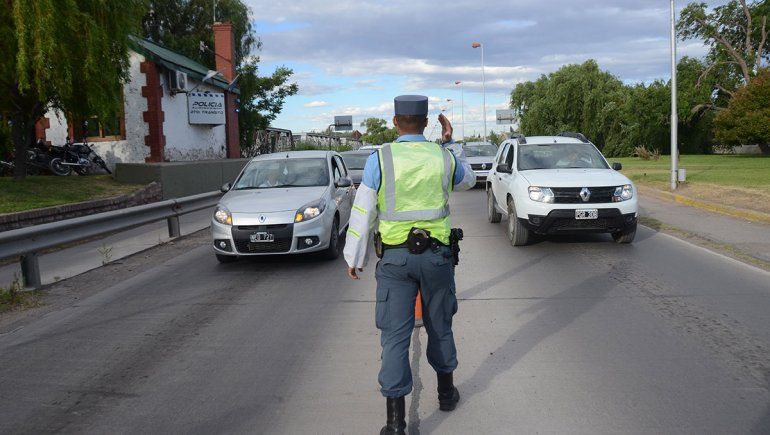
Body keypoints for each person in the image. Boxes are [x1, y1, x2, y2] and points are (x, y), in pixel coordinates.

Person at [343, 95, 476, 434]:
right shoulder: (442, 156)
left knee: (395, 336)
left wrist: (354, 257)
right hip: (437, 258)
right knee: (440, 324)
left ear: (394, 121)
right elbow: (468, 181)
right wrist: (451, 143)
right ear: (427, 120)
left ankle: (395, 423)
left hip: (395, 260)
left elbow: (362, 211)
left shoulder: (381, 159)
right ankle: (446, 393)